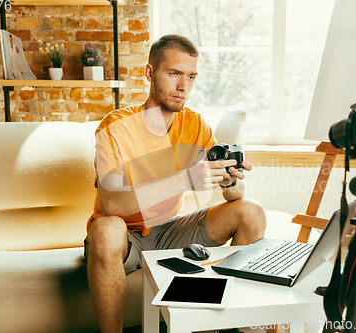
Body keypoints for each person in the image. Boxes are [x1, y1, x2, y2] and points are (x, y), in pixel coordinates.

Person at [85, 34, 266, 333]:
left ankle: (227, 326)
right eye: (174, 74)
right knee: (105, 229)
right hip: (123, 238)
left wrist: (229, 178)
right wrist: (185, 179)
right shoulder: (114, 127)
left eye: (191, 77)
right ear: (149, 73)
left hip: (169, 230)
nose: (184, 87)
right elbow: (111, 203)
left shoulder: (195, 125)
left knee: (252, 211)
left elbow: (236, 197)